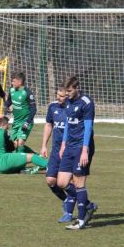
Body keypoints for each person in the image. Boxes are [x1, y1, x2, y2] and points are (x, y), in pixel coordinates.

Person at [57, 76, 98, 230]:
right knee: (61, 182)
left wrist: (85, 151)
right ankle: (88, 205)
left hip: (82, 147)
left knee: (79, 183)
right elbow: (68, 123)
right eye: (65, 91)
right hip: (69, 147)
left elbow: (88, 128)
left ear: (77, 88)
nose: (67, 94)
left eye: (69, 91)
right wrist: (63, 144)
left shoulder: (86, 103)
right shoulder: (68, 102)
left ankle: (80, 221)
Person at [41, 86, 75, 222]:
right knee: (50, 180)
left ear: (67, 96)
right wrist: (44, 145)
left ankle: (70, 212)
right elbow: (49, 125)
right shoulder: (53, 107)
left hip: (70, 150)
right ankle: (67, 200)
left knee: (66, 182)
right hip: (56, 150)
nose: (58, 98)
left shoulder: (73, 109)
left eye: (61, 96)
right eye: (57, 95)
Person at [5, 72, 36, 152]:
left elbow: (33, 109)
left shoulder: (27, 92)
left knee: (20, 143)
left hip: (25, 121)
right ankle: (35, 155)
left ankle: (20, 163)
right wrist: (7, 106)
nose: (12, 83)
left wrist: (27, 122)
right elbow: (8, 101)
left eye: (13, 81)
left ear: (20, 82)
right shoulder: (11, 90)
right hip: (16, 122)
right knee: (14, 143)